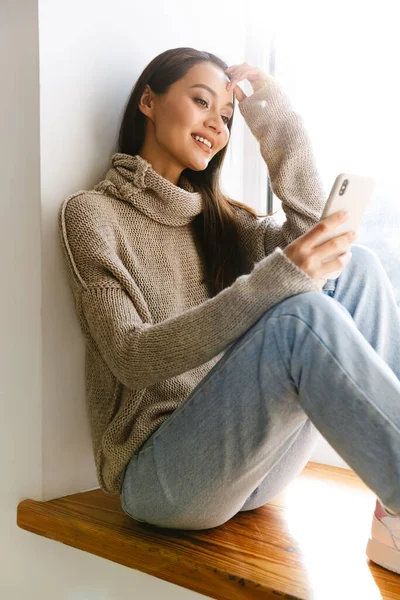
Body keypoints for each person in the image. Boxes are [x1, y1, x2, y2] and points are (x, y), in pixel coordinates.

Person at [58, 47, 400, 575]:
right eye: (201, 102)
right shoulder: (92, 216)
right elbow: (131, 357)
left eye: (225, 117)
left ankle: (393, 511)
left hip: (247, 466)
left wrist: (273, 113)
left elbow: (316, 241)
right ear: (149, 101)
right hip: (161, 479)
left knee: (356, 267)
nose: (215, 125)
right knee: (298, 318)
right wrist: (273, 282)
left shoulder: (222, 221)